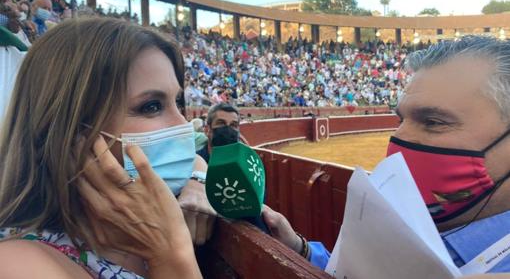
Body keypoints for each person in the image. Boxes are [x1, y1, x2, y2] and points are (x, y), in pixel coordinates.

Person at [264, 36, 510, 277]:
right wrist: (300, 249)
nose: (398, 139)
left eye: (433, 122)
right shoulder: (414, 220)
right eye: (400, 120)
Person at [0, 18, 214, 278]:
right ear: (72, 130)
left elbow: (193, 161)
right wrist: (172, 254)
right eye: (151, 106)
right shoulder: (18, 265)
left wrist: (197, 180)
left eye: (178, 102)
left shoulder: (146, 211)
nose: (183, 125)